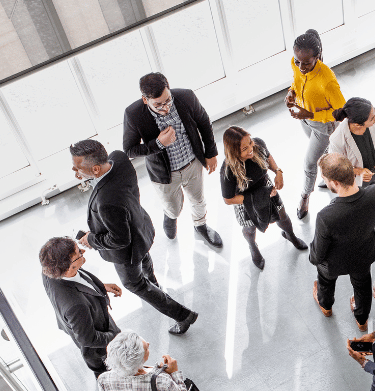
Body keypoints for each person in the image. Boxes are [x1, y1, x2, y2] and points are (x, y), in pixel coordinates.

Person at [71, 140, 198, 335]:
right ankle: (154, 283)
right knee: (144, 258)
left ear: (96, 169)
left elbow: (120, 240)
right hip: (140, 226)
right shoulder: (118, 158)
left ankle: (182, 315)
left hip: (126, 251)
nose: (74, 170)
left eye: (77, 167)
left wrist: (92, 240)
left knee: (135, 283)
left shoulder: (106, 201)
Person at [122, 72, 222, 248]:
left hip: (192, 162)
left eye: (168, 100)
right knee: (174, 208)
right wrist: (159, 143)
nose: (166, 107)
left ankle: (201, 226)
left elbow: (204, 121)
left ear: (169, 88)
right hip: (164, 175)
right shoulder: (133, 114)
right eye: (158, 105)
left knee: (198, 200)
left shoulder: (186, 96)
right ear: (145, 100)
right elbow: (129, 150)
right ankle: (170, 217)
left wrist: (211, 152)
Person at [310, 154, 375, 332]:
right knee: (362, 286)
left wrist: (314, 258)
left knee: (325, 281)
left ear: (334, 182)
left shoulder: (326, 216)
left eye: (324, 178)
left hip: (333, 263)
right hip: (362, 255)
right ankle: (362, 320)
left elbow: (318, 253)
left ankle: (326, 307)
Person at [220, 126, 307, 270]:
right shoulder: (228, 170)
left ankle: (290, 235)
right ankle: (253, 247)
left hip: (266, 188)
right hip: (244, 200)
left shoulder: (258, 145)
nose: (250, 150)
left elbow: (268, 157)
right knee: (249, 228)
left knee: (282, 216)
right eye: (244, 149)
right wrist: (258, 197)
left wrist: (278, 172)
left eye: (250, 143)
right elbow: (228, 199)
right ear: (234, 152)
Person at [285, 29, 347, 220]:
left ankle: (305, 196)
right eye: (297, 61)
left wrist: (311, 113)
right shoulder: (296, 63)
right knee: (326, 152)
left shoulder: (327, 80)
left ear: (317, 57)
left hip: (322, 125)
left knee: (310, 162)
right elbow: (297, 81)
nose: (300, 66)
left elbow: (342, 113)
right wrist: (291, 93)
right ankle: (329, 176)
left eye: (306, 63)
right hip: (304, 119)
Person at [40, 237, 122, 377]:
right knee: (106, 373)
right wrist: (115, 337)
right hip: (99, 348)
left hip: (87, 318)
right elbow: (88, 339)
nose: (83, 251)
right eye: (79, 253)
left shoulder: (50, 271)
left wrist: (100, 287)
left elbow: (79, 282)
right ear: (69, 267)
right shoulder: (76, 306)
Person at [97, 331, 190, 391]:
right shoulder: (163, 383)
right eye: (146, 348)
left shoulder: (104, 381)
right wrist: (175, 374)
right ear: (139, 362)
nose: (148, 343)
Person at [329, 97, 375, 190]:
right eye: (372, 119)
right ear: (357, 125)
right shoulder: (337, 139)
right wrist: (359, 171)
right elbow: (337, 167)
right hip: (358, 183)